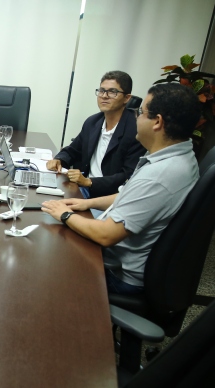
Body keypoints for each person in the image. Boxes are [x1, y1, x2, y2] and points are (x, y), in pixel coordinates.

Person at [41, 84, 201, 295]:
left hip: (118, 273)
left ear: (157, 122)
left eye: (141, 112)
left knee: (43, 261)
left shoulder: (160, 174)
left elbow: (106, 235)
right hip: (120, 255)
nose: (136, 117)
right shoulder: (178, 156)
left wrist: (65, 214)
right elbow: (129, 194)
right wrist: (86, 203)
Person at [46, 71, 145, 198]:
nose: (104, 96)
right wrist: (59, 160)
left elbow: (128, 175)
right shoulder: (93, 122)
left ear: (127, 98)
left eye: (112, 92)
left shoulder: (136, 130)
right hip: (82, 188)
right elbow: (73, 150)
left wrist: (89, 182)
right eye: (102, 91)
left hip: (108, 197)